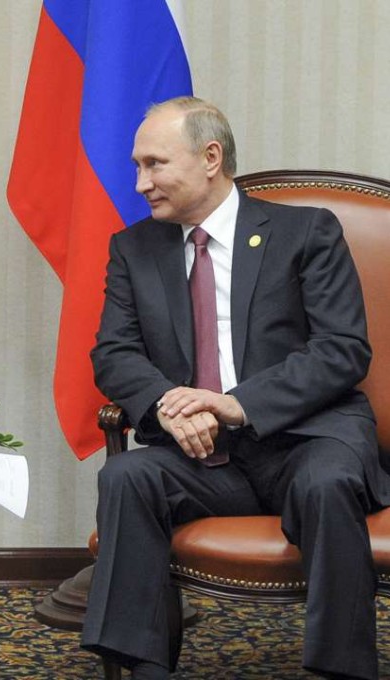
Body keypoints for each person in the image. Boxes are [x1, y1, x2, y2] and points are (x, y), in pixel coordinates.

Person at [80, 96, 390, 680]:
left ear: (210, 158)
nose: (140, 183)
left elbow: (342, 349)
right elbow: (113, 353)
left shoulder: (305, 232)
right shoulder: (134, 248)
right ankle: (143, 668)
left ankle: (344, 669)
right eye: (137, 166)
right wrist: (168, 407)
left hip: (306, 441)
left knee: (326, 484)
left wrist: (236, 404)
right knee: (126, 476)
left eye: (154, 164)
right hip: (204, 456)